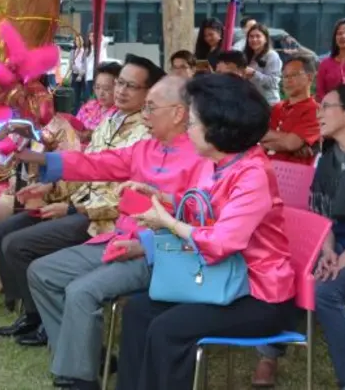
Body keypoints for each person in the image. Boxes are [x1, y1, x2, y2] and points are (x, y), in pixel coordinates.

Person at [20, 76, 209, 390]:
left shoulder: (200, 156)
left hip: (161, 254)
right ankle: (88, 357)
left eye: (151, 107)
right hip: (117, 241)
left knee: (81, 292)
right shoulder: (144, 148)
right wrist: (39, 158)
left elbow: (200, 218)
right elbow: (95, 163)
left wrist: (150, 235)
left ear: (178, 113)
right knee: (42, 272)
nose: (144, 115)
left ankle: (78, 379)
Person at [115, 74, 297, 390]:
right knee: (138, 312)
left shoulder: (253, 174)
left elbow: (223, 241)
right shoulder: (217, 161)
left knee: (168, 329)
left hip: (259, 296)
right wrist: (159, 197)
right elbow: (202, 208)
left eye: (194, 121)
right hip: (217, 279)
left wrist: (167, 223)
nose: (187, 127)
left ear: (218, 127)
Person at [0, 55, 161, 345]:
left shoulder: (147, 133)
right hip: (76, 203)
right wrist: (49, 190)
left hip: (102, 219)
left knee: (17, 244)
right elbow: (86, 165)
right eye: (120, 83)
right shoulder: (110, 120)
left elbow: (128, 197)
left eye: (131, 86)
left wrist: (72, 207)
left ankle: (44, 321)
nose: (120, 91)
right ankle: (32, 314)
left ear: (149, 94)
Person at [252, 86, 345, 390]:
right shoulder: (327, 158)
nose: (318, 113)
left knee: (327, 291)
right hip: (339, 246)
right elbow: (322, 215)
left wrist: (344, 258)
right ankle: (268, 354)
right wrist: (327, 249)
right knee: (283, 269)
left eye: (325, 106)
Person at [261, 56, 320, 165]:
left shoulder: (315, 110)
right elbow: (260, 136)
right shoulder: (277, 108)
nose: (288, 80)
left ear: (309, 77)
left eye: (294, 75)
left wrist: (266, 141)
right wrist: (288, 139)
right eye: (285, 76)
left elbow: (290, 143)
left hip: (294, 174)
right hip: (266, 167)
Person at [76, 61, 121, 141]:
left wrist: (90, 135)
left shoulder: (120, 114)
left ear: (118, 89)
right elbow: (74, 125)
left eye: (106, 89)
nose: (101, 93)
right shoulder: (89, 107)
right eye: (97, 87)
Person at [244, 23, 283, 104]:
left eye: (258, 36)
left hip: (267, 103)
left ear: (265, 39)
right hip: (252, 102)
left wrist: (254, 73)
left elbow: (273, 82)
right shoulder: (249, 55)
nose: (254, 39)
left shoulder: (272, 55)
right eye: (251, 36)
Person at [69, 35, 89, 113]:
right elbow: (71, 64)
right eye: (77, 40)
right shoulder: (72, 51)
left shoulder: (86, 51)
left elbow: (85, 64)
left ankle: (85, 113)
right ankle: (76, 113)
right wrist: (78, 72)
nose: (78, 42)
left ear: (83, 41)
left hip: (84, 76)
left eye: (80, 40)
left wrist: (81, 75)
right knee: (75, 96)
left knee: (85, 96)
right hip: (75, 75)